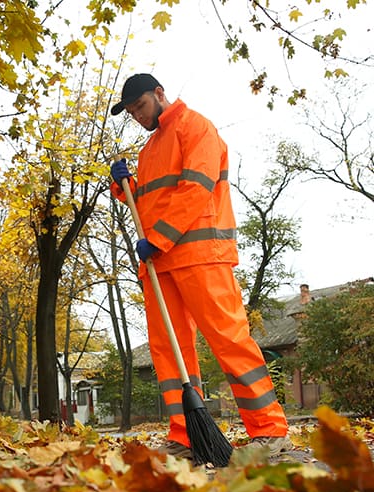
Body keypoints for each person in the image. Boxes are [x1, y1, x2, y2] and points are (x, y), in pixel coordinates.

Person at [109, 73, 291, 458]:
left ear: (159, 93)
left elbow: (196, 189)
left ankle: (270, 429)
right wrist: (124, 188)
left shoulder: (196, 127)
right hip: (160, 263)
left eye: (139, 106)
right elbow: (149, 206)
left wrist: (156, 239)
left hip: (200, 255)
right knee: (168, 351)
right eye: (130, 113)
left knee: (228, 338)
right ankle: (186, 434)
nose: (137, 116)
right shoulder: (149, 149)